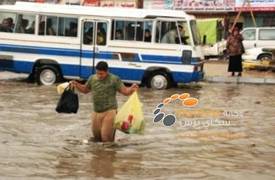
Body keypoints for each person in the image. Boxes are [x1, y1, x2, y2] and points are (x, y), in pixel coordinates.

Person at [70, 61, 138, 142]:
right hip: (96, 112)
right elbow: (85, 90)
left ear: (107, 71)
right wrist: (76, 84)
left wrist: (131, 89)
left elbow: (125, 92)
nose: (99, 76)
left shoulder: (114, 79)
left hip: (109, 112)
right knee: (97, 139)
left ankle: (110, 154)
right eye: (97, 73)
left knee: (106, 139)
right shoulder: (92, 78)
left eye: (101, 74)